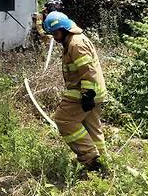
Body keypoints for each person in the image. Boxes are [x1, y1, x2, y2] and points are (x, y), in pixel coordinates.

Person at [43, 11, 107, 172]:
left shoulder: (75, 43)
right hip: (94, 92)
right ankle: (104, 163)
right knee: (92, 127)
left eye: (56, 33)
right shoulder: (72, 40)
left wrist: (87, 94)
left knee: (64, 120)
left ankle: (91, 159)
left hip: (85, 92)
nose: (55, 38)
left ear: (64, 29)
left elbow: (87, 69)